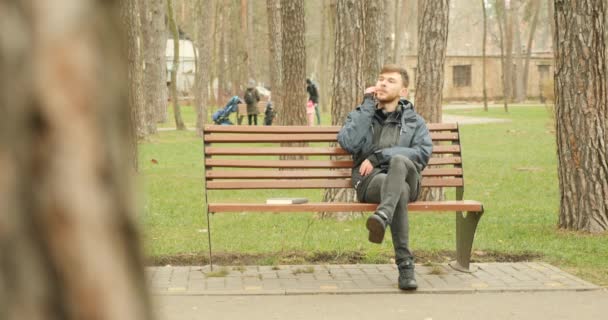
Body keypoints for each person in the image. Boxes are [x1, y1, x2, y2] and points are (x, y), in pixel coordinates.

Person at [337, 64, 433, 291]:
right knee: (396, 191)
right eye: (380, 79)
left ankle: (382, 214)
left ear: (403, 92)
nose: (382, 83)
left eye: (390, 81)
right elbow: (348, 143)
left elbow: (421, 153)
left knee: (399, 161)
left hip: (407, 177)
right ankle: (406, 266)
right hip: (371, 181)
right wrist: (368, 105)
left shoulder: (414, 122)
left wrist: (381, 156)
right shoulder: (362, 114)